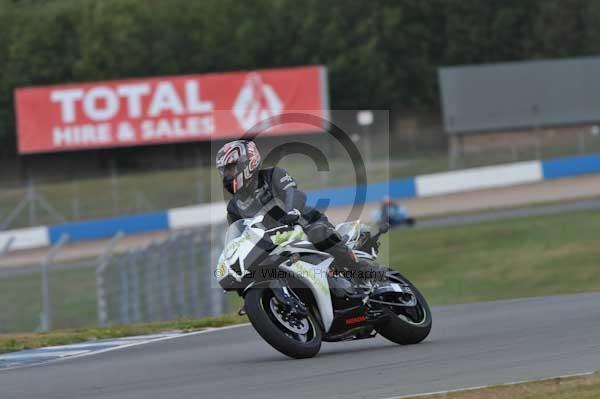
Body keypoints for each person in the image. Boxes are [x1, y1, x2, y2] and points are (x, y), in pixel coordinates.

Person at [216, 139, 360, 270]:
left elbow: (293, 193)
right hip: (272, 244)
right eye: (225, 171)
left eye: (231, 168)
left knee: (318, 233)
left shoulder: (271, 175)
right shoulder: (233, 207)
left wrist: (292, 212)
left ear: (248, 162)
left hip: (303, 225)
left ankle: (359, 267)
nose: (227, 175)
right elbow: (238, 237)